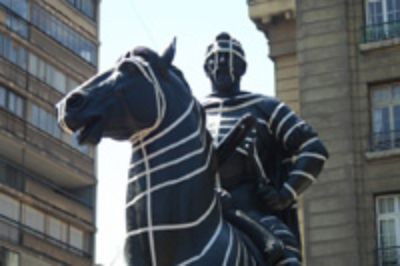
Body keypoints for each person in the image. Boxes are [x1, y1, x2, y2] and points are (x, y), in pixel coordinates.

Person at [202, 32, 328, 265]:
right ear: (206, 67)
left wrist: (284, 195)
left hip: (253, 209)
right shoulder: (194, 115)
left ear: (242, 67)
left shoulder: (265, 107)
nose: (220, 64)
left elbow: (313, 147)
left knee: (286, 258)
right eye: (215, 59)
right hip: (201, 213)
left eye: (227, 58)